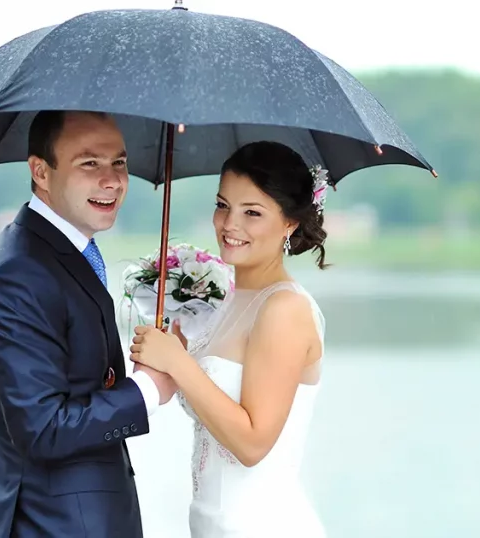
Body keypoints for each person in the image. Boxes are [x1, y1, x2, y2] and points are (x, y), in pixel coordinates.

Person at [0, 110, 177, 538]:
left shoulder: (62, 252)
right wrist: (149, 389)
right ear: (40, 171)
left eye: (120, 163)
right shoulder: (19, 272)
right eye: (90, 163)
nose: (112, 180)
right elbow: (42, 428)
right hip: (50, 525)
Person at [129, 141, 330, 537]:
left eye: (251, 212)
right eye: (223, 205)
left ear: (290, 222)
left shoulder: (283, 310)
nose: (229, 224)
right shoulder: (228, 302)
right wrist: (169, 364)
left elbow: (253, 444)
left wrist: (179, 364)